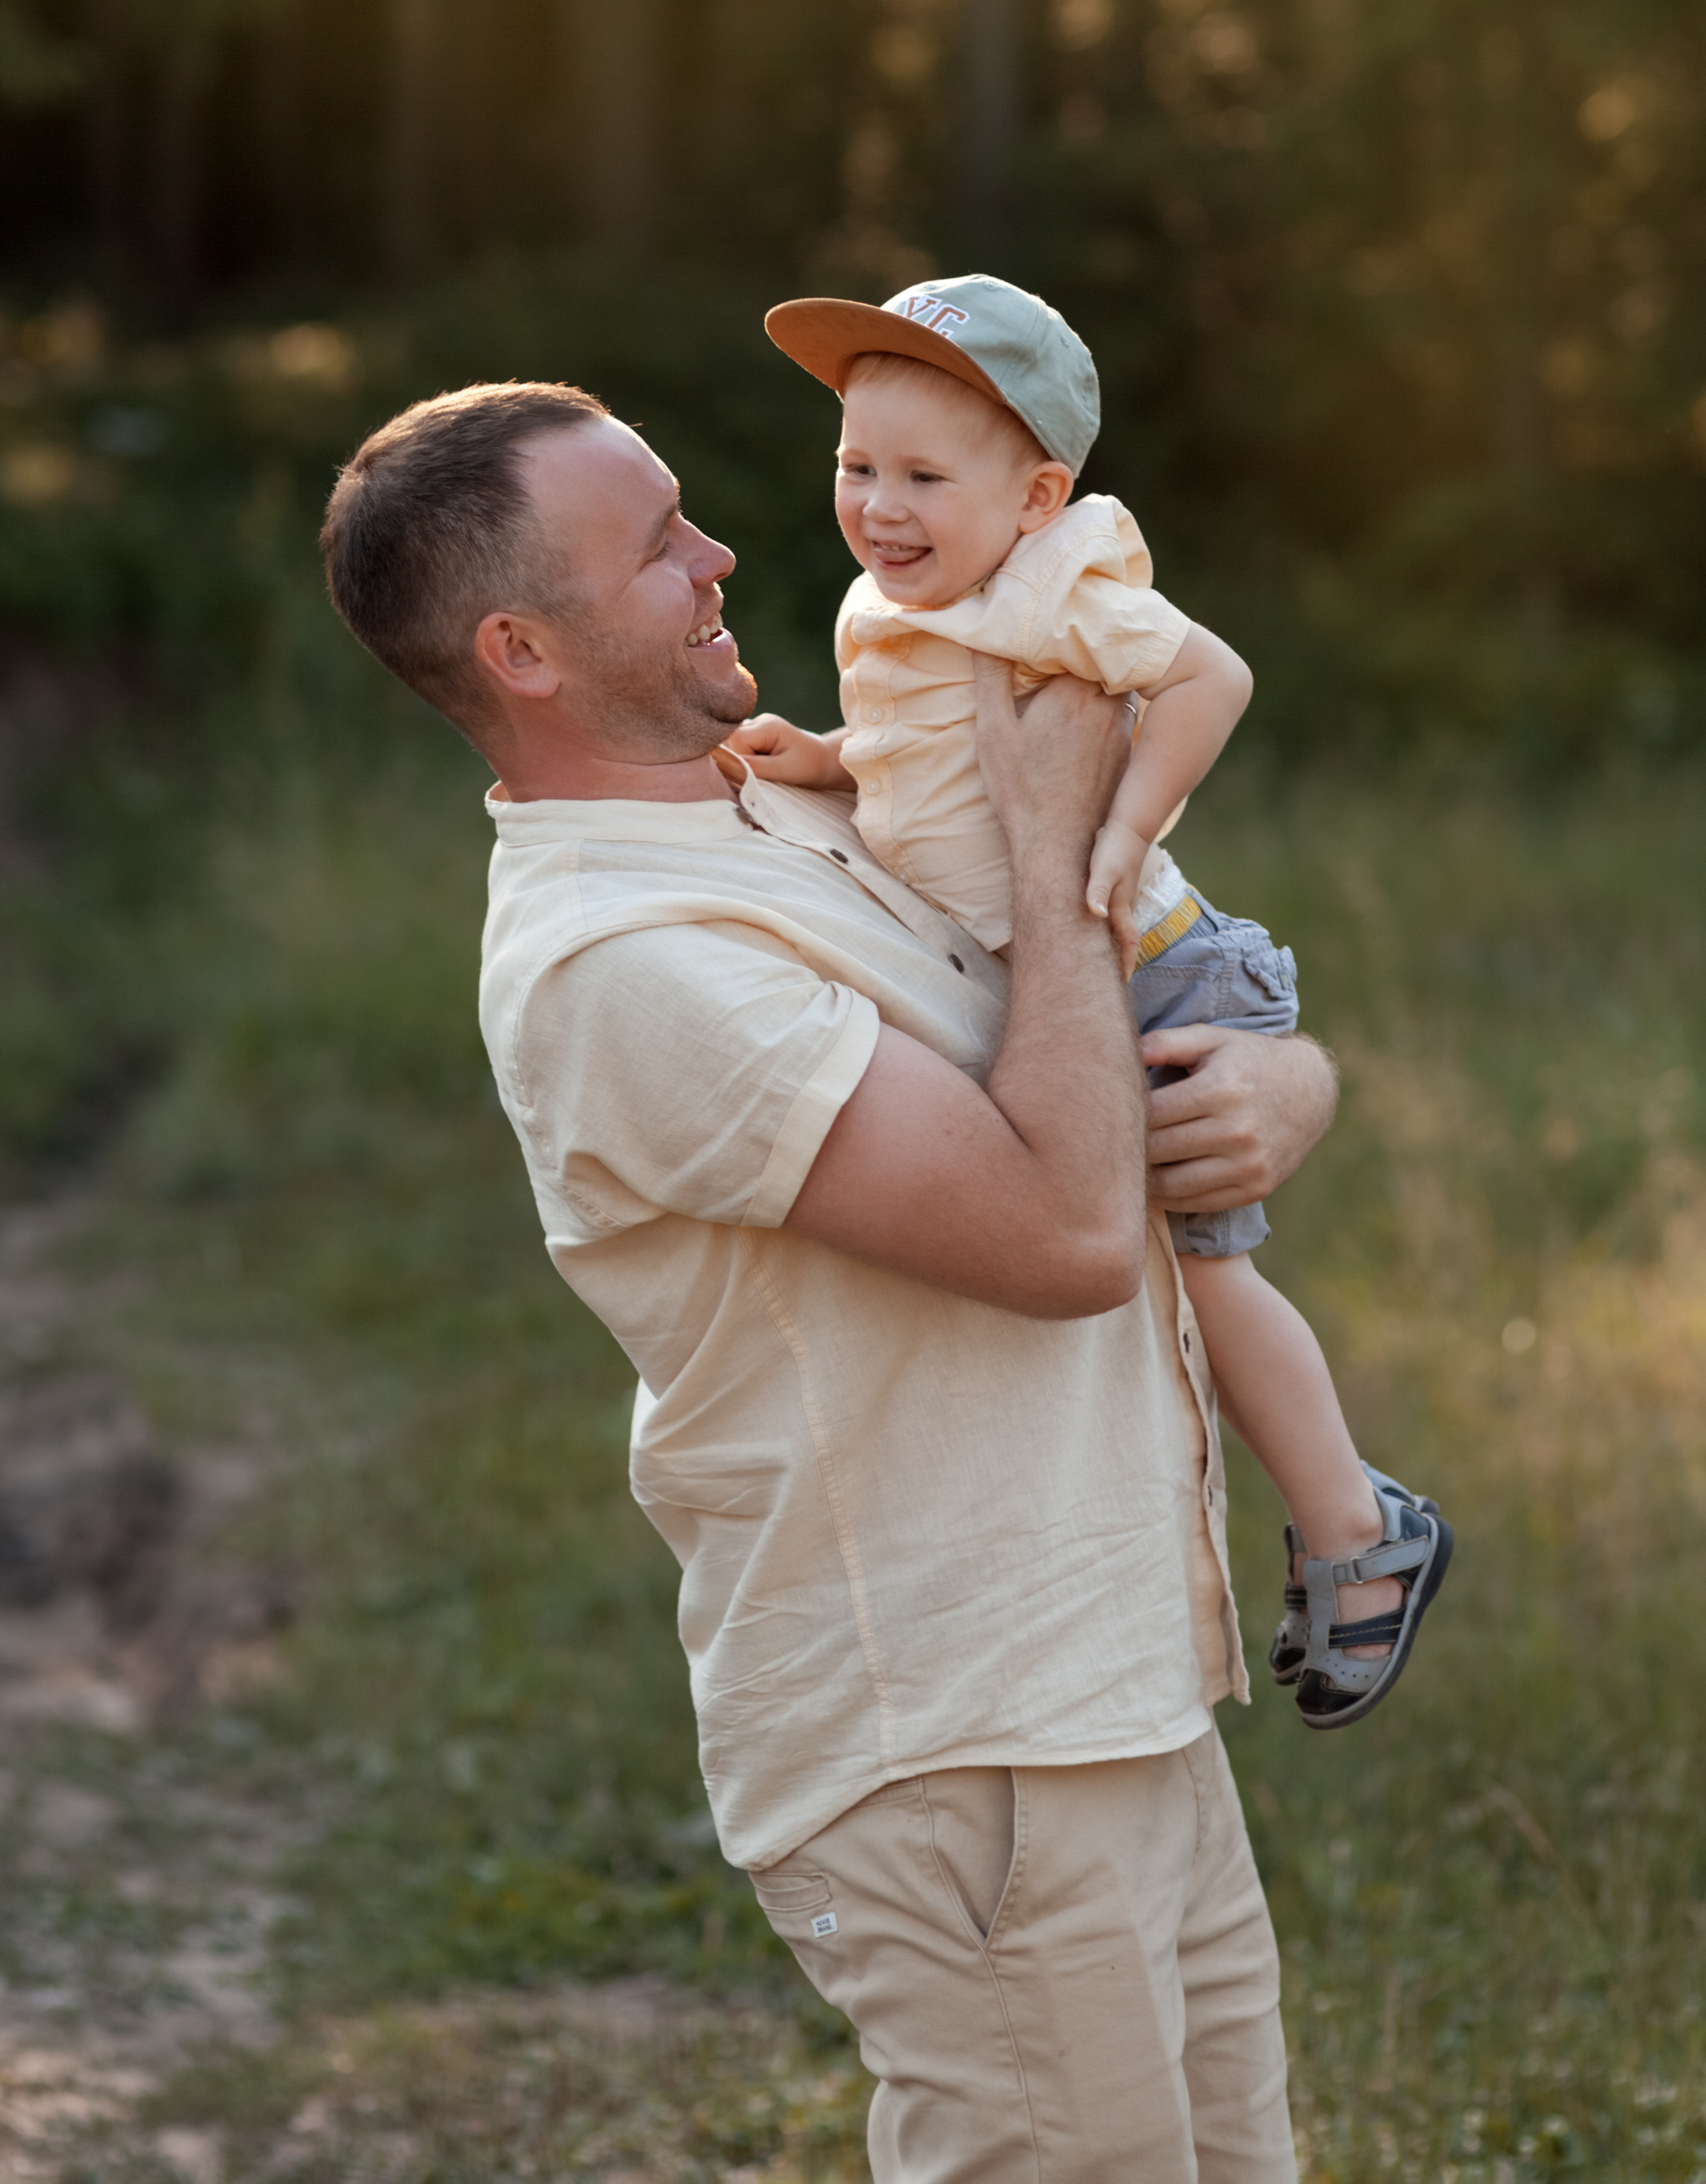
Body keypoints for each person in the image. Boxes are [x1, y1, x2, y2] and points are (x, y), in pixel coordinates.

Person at [320, 374, 1340, 2181]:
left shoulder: (782, 804)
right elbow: (1065, 1234)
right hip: (956, 1741)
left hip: (1107, 1681)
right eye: (657, 547)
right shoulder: (624, 963)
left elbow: (1136, 1025)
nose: (720, 555)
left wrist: (1283, 1085)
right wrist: (1053, 847)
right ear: (521, 652)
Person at [728, 274, 1451, 1730]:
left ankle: (1358, 1526)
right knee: (1131, 1278)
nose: (878, 506)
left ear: (1037, 497)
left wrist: (1115, 831)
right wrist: (828, 757)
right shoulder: (900, 601)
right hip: (1068, 985)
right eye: (857, 467)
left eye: (923, 477)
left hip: (1167, 970)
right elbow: (930, 760)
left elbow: (1212, 679)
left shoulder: (1056, 583)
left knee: (1205, 1279)